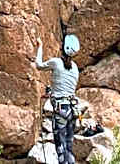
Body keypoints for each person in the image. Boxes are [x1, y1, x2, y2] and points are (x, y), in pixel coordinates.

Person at [35, 34, 80, 164]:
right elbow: (65, 87)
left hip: (61, 110)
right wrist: (53, 91)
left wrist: (40, 46)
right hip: (72, 110)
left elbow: (38, 65)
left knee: (60, 148)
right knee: (69, 148)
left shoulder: (56, 62)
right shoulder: (75, 67)